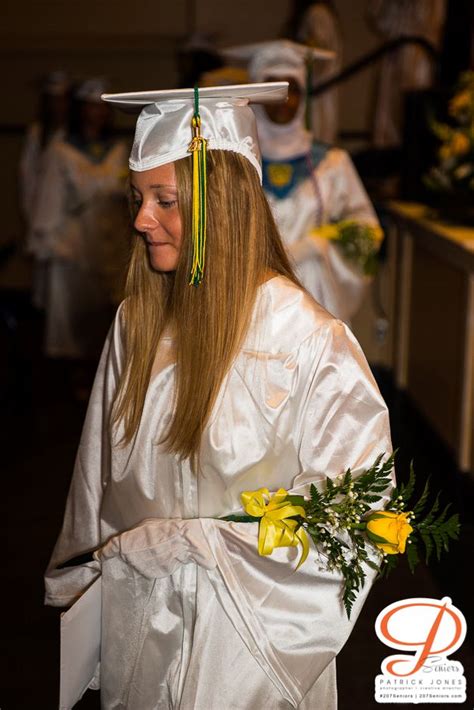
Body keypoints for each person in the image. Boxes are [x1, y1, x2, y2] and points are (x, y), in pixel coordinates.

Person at [44, 82, 393, 709]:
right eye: (138, 197)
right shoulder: (136, 325)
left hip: (251, 655)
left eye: (164, 200)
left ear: (221, 204)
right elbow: (95, 487)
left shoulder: (309, 342)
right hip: (140, 633)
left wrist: (200, 543)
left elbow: (354, 520)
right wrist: (89, 583)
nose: (140, 219)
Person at [224, 40, 383, 325]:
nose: (285, 99)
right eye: (273, 89)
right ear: (256, 93)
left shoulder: (332, 163)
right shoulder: (236, 163)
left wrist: (319, 244)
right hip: (250, 297)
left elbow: (366, 228)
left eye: (293, 89)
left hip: (315, 301)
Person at [28, 78, 129, 371]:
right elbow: (49, 197)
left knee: (108, 309)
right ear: (79, 110)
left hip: (111, 236)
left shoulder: (117, 149)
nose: (96, 114)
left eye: (101, 108)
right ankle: (75, 375)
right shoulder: (61, 151)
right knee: (74, 310)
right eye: (90, 107)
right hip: (74, 238)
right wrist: (49, 241)